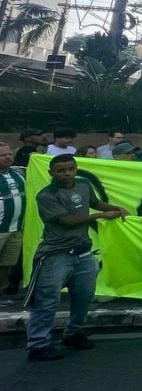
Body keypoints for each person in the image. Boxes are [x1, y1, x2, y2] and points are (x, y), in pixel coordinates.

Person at [26, 154, 128, 361]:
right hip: (55, 255)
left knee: (83, 297)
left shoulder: (83, 184)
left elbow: (95, 202)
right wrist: (100, 216)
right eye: (60, 170)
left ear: (76, 169)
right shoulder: (46, 195)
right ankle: (38, 344)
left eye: (70, 169)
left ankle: (73, 333)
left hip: (83, 252)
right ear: (51, 173)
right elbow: (67, 221)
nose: (66, 174)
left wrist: (115, 209)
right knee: (46, 301)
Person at [0, 143, 25, 300]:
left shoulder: (19, 173)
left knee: (6, 265)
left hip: (16, 229)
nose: (8, 157)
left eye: (9, 154)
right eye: (3, 155)